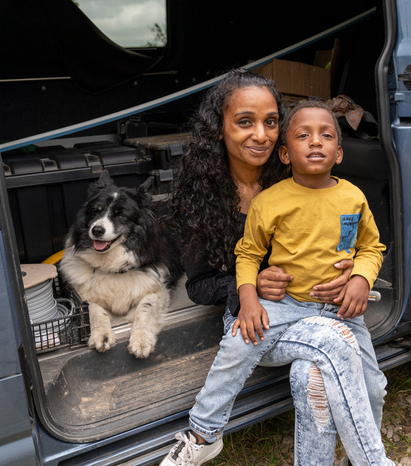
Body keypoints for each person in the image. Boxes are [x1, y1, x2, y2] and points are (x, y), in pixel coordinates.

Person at [164, 70, 390, 465]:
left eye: (271, 122)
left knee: (313, 375)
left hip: (325, 307)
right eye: (245, 122)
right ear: (219, 129)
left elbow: (353, 239)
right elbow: (208, 280)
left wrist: (354, 272)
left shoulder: (303, 173)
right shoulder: (205, 198)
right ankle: (203, 434)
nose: (261, 135)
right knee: (334, 341)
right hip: (270, 314)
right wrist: (246, 290)